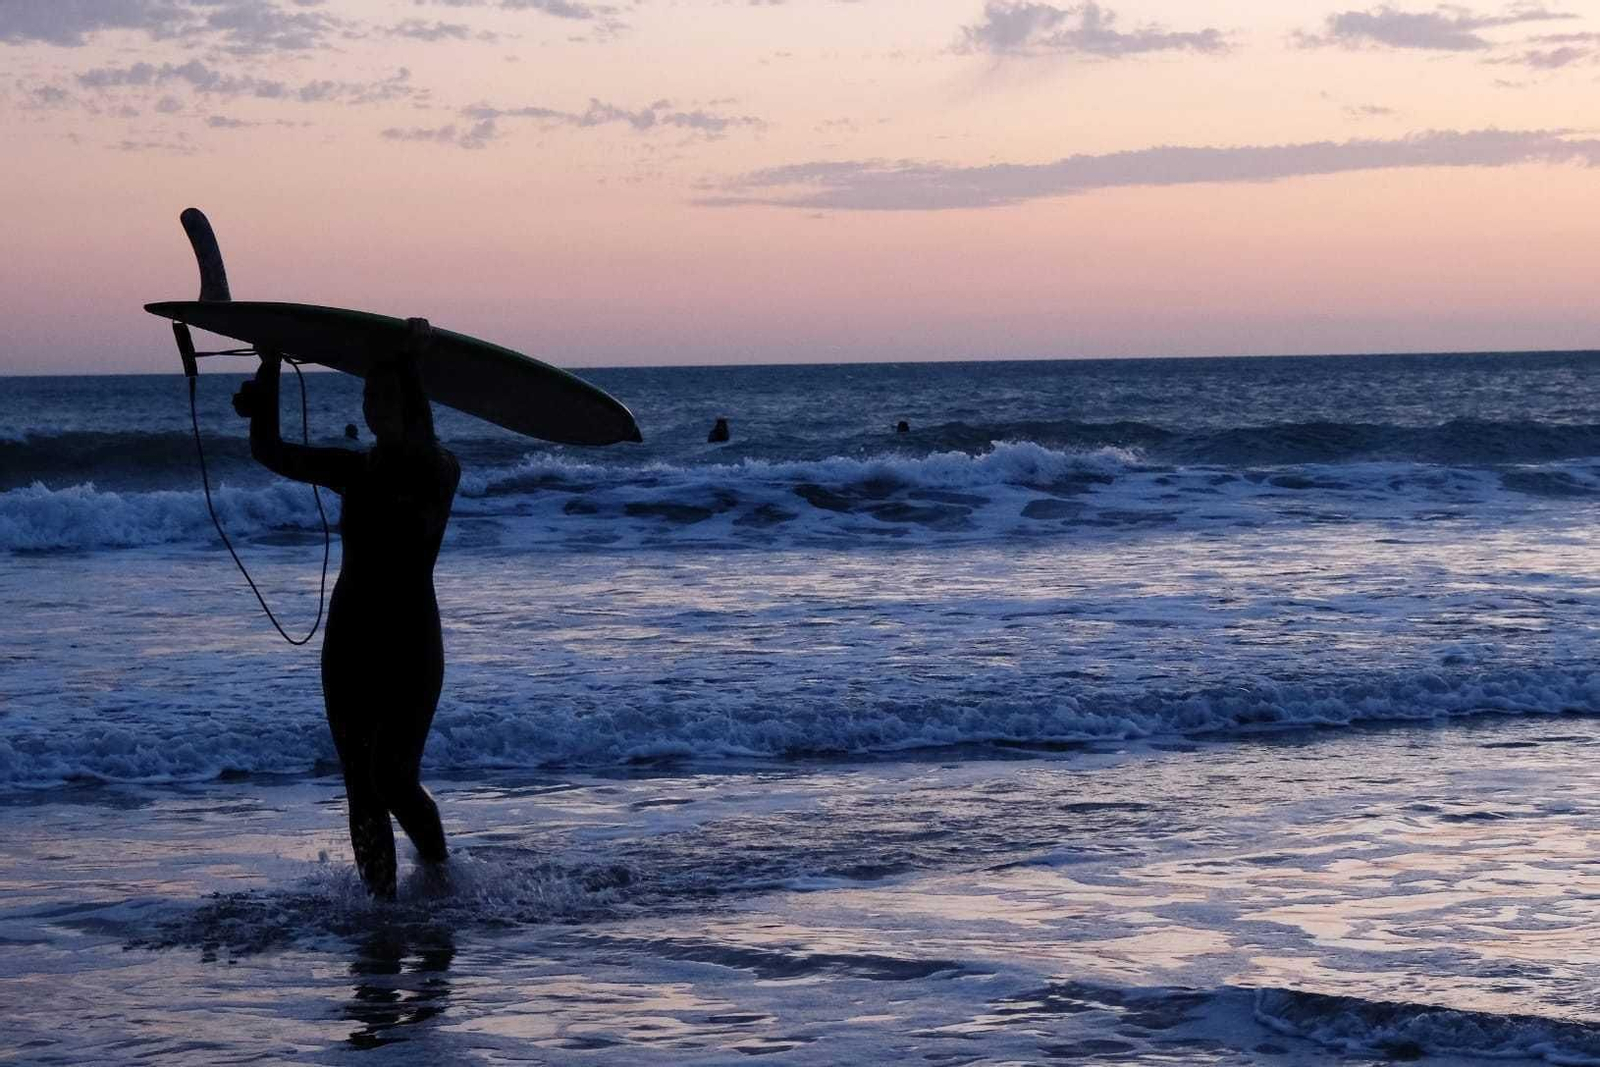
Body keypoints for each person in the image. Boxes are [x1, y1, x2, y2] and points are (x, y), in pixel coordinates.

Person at [232, 319, 460, 900]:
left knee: (394, 776)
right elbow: (270, 450)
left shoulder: (439, 471)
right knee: (360, 782)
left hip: (411, 641)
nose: (373, 407)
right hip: (351, 639)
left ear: (410, 403)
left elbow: (423, 447)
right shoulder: (354, 470)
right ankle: (380, 909)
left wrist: (409, 359)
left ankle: (440, 877)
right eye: (367, 396)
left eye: (384, 396)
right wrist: (270, 368)